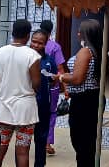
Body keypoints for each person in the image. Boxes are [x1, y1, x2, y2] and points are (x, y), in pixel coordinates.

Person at [0, 19, 42, 167]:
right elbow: (36, 84)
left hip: (3, 110)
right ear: (28, 35)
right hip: (25, 111)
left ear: (12, 32)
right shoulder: (32, 56)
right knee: (22, 152)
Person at [58, 19, 103, 167]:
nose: (77, 34)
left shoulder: (85, 52)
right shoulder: (98, 50)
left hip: (84, 100)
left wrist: (61, 77)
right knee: (88, 141)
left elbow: (77, 79)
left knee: (80, 140)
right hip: (92, 97)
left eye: (80, 31)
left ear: (86, 34)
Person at [30, 29, 59, 167]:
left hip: (42, 104)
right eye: (34, 41)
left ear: (46, 44)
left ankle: (40, 164)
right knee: (23, 139)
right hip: (26, 103)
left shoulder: (49, 60)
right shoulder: (25, 57)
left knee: (41, 138)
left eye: (40, 43)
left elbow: (53, 80)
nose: (36, 45)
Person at [38, 20, 67, 156]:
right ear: (51, 32)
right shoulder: (55, 47)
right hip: (51, 87)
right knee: (51, 113)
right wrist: (66, 88)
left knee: (38, 113)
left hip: (36, 85)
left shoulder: (33, 45)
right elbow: (60, 69)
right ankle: (47, 143)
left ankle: (39, 141)